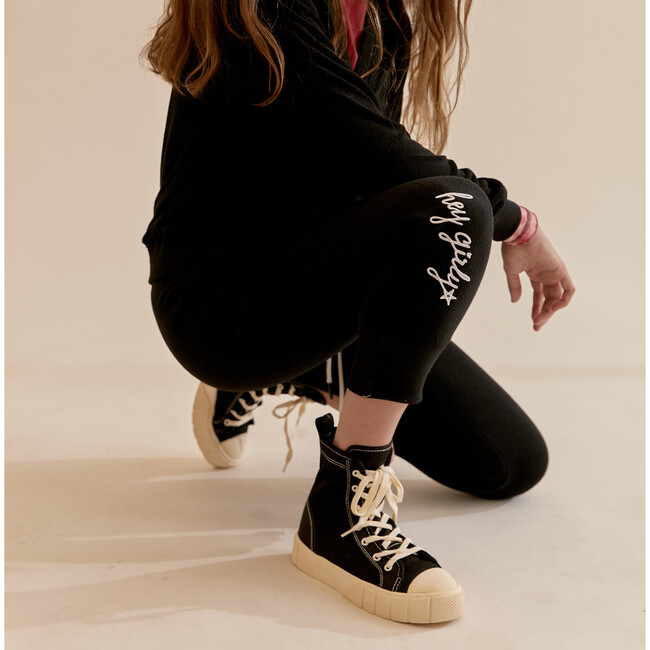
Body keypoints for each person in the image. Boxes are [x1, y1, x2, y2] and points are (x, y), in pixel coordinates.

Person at [140, 0, 574, 624]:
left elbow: (364, 182)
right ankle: (342, 507)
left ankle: (299, 370)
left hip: (313, 288)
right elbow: (382, 158)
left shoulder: (383, 19)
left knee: (508, 462)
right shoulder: (261, 9)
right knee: (455, 211)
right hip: (221, 307)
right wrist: (518, 223)